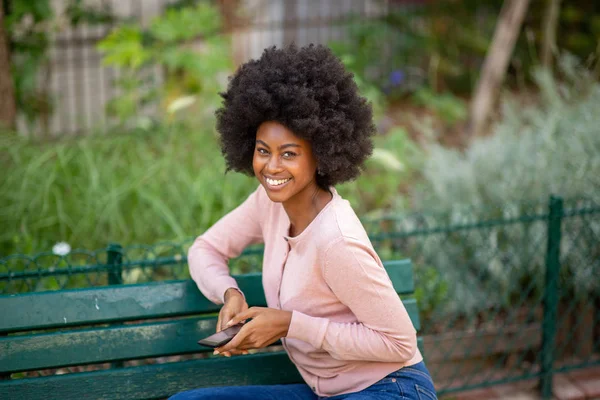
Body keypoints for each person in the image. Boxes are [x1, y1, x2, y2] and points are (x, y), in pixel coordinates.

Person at [170, 44, 437, 400]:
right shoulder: (267, 204)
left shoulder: (336, 241)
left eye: (289, 154)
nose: (272, 167)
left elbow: (399, 343)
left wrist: (292, 325)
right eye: (263, 150)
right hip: (325, 393)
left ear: (321, 155)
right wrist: (229, 293)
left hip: (391, 389)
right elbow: (206, 248)